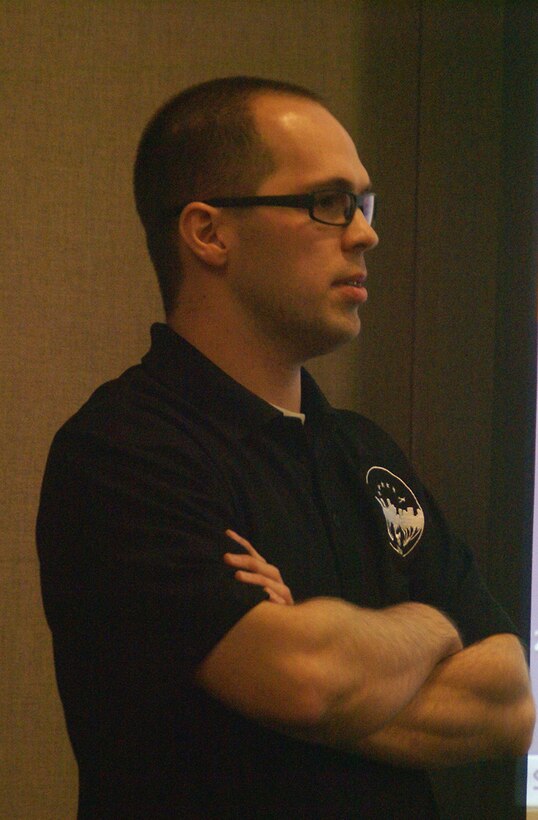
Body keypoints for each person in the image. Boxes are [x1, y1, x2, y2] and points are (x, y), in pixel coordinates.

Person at [37, 76, 535, 819]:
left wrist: (325, 670)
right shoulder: (122, 453)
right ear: (209, 233)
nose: (365, 232)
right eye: (327, 203)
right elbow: (306, 680)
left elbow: (510, 702)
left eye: (362, 204)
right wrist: (432, 626)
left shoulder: (364, 452)